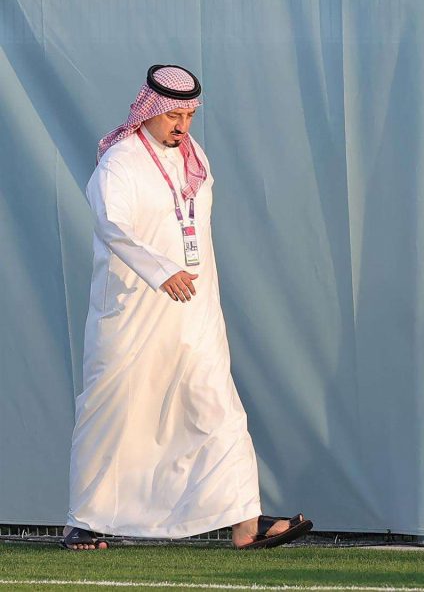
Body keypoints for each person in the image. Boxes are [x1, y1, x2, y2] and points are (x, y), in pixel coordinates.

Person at [62, 65, 312, 551]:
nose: (182, 126)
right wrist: (160, 270)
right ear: (150, 110)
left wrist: (184, 275)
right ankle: (84, 519)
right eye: (173, 115)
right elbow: (112, 225)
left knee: (216, 401)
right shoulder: (121, 161)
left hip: (194, 306)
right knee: (112, 408)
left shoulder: (194, 155)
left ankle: (245, 521)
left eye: (189, 116)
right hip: (132, 308)